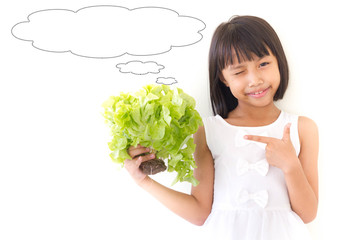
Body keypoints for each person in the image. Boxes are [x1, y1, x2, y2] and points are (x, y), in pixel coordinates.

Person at [124, 15, 319, 240]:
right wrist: (144, 181)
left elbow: (308, 214)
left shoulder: (302, 128)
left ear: (279, 62)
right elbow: (200, 212)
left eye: (263, 64)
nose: (255, 79)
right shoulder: (206, 131)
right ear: (224, 79)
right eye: (239, 72)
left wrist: (291, 166)